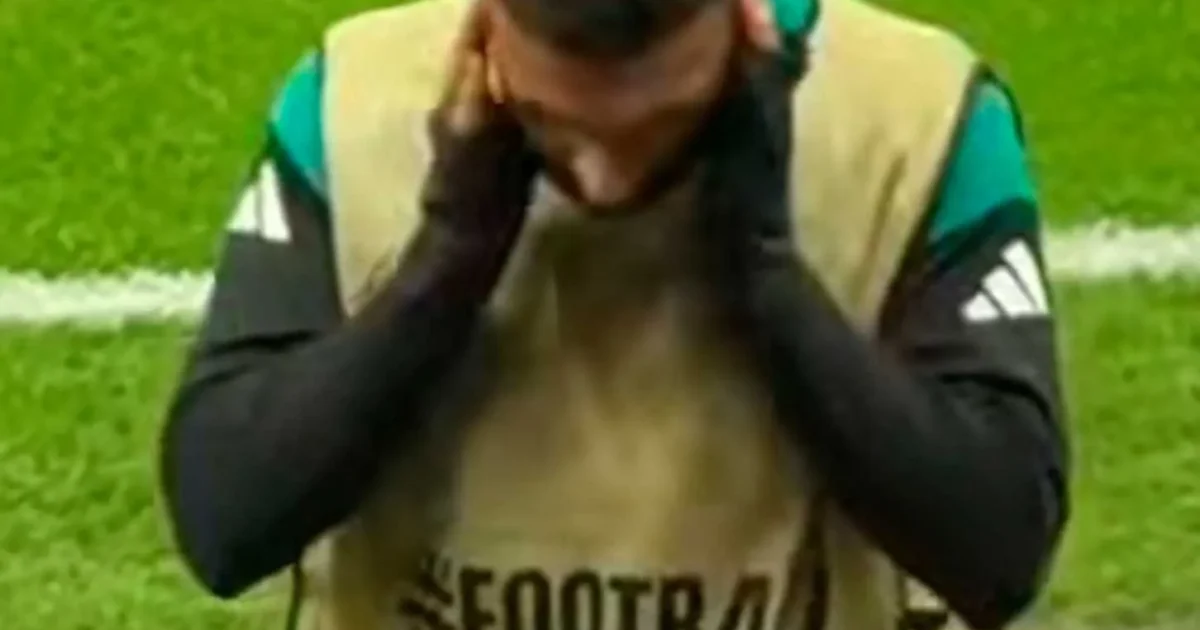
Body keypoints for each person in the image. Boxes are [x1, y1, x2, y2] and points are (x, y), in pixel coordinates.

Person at [158, 0, 1071, 629]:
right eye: (554, 121)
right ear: (486, 24)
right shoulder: (353, 101)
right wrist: (447, 257)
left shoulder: (913, 119)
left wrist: (764, 271)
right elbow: (224, 516)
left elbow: (998, 546)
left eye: (657, 124)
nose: (601, 179)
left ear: (747, 26)